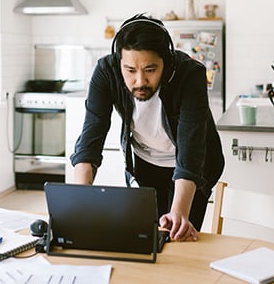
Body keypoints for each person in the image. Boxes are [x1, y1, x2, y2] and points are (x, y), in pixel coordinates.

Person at [70, 13, 225, 242]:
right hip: (146, 162)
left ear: (167, 62)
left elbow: (191, 148)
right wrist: (78, 201)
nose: (140, 81)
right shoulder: (106, 72)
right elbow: (91, 137)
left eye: (150, 70)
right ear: (119, 62)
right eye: (130, 70)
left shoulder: (189, 75)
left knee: (177, 237)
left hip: (193, 167)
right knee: (146, 237)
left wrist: (179, 214)